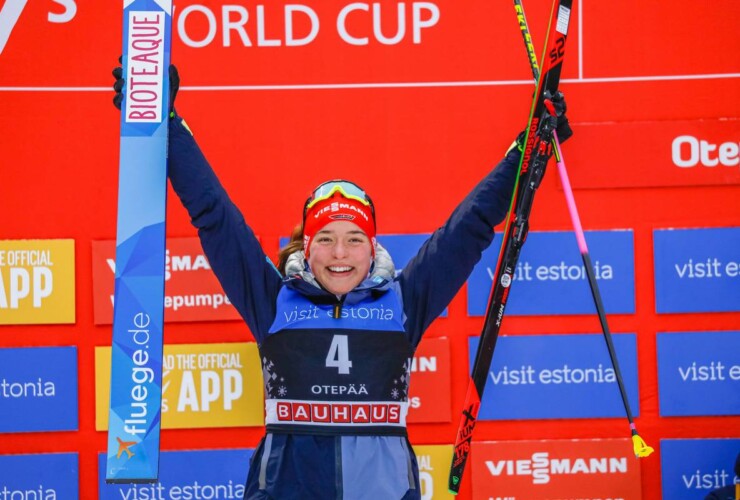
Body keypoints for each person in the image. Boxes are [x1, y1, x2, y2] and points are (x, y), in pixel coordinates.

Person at [113, 64, 571, 499]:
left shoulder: (403, 302)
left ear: (372, 249)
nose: (339, 254)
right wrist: (163, 122)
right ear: (306, 248)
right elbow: (213, 214)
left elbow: (470, 227)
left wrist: (527, 150)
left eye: (354, 239)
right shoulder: (273, 301)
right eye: (327, 239)